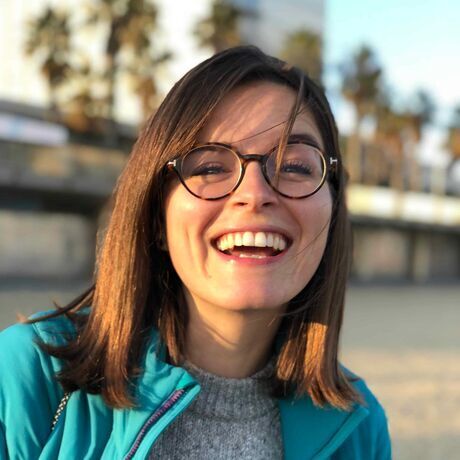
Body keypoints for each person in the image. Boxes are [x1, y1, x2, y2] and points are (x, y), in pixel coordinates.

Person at [0, 46, 391, 459]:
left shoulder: (359, 429)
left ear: (333, 209)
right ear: (157, 216)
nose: (254, 194)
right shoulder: (27, 379)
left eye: (295, 166)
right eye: (209, 167)